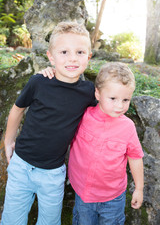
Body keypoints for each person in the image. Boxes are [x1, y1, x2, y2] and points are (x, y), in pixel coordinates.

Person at [1, 21, 96, 225]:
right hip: (21, 166)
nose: (72, 58)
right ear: (51, 57)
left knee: (50, 222)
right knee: (11, 220)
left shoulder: (89, 92)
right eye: (63, 52)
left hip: (54, 173)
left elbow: (108, 105)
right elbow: (18, 109)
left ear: (88, 56)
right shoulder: (39, 82)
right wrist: (8, 141)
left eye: (80, 52)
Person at [68, 62, 144, 225]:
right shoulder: (83, 116)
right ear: (97, 94)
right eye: (113, 98)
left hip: (112, 198)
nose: (119, 105)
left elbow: (136, 157)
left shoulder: (127, 127)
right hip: (83, 194)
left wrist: (139, 188)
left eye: (125, 100)